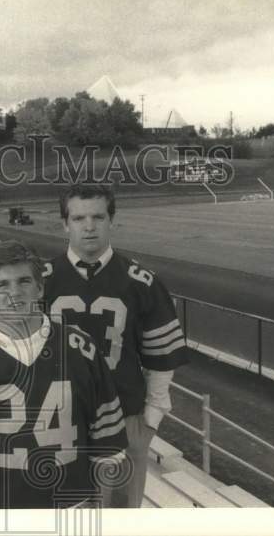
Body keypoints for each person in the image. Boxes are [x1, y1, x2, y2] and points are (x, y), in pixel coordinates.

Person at [0, 241, 128, 509]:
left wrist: (103, 516)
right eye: (2, 285)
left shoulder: (81, 351)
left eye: (24, 281)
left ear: (40, 288)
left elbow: (107, 445)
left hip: (72, 507)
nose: (15, 293)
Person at [43, 184, 189, 508]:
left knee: (120, 519)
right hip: (58, 421)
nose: (89, 226)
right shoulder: (42, 280)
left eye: (98, 217)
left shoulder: (142, 281)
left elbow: (162, 358)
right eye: (79, 218)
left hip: (125, 419)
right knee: (63, 517)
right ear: (65, 223)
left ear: (112, 220)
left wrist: (150, 419)